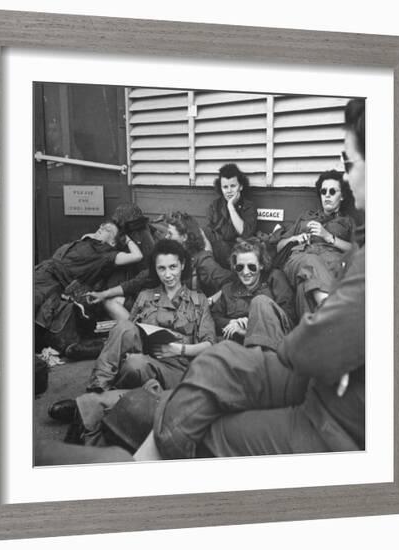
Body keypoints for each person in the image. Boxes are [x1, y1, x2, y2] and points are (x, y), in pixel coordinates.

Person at [152, 98, 366, 459]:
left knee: (211, 425)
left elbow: (306, 346)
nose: (343, 178)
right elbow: (271, 252)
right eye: (328, 186)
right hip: (311, 365)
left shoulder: (366, 239)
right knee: (216, 361)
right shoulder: (344, 230)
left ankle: (152, 450)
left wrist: (306, 336)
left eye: (348, 164)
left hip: (336, 416)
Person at [86, 239, 216, 393]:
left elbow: (209, 344)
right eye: (161, 268)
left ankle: (106, 397)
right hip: (144, 358)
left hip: (177, 369)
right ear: (155, 269)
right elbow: (128, 336)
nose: (168, 275)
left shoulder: (199, 300)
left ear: (182, 265)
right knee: (125, 332)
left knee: (134, 366)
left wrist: (179, 349)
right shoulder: (145, 296)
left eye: (173, 267)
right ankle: (97, 387)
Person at [86, 211, 233, 320]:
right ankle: (137, 334)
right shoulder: (168, 256)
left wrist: (208, 302)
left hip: (186, 316)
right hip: (164, 305)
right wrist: (102, 294)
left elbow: (231, 281)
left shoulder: (202, 261)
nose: (166, 237)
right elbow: (138, 281)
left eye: (170, 234)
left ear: (185, 237)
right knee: (111, 302)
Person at [34, 220, 142, 351]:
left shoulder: (106, 254)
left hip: (51, 280)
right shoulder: (88, 240)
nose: (101, 228)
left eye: (107, 229)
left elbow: (137, 256)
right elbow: (90, 235)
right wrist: (105, 232)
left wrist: (127, 239)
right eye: (101, 226)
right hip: (42, 272)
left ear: (113, 242)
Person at [274, 169, 357, 316]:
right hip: (300, 259)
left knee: (304, 287)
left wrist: (329, 237)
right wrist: (294, 239)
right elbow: (279, 246)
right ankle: (331, 310)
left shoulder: (347, 222)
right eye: (323, 191)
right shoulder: (306, 216)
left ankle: (312, 333)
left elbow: (357, 251)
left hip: (331, 264)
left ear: (342, 196)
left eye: (332, 191)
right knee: (310, 261)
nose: (327, 196)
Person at [211, 239, 294, 347]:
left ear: (261, 265)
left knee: (259, 301)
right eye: (240, 267)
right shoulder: (228, 289)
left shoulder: (275, 278)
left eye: (251, 267)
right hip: (239, 343)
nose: (245, 272)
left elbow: (288, 316)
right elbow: (215, 317)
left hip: (274, 342)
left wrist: (251, 324)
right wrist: (233, 322)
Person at [204, 163, 258, 268]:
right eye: (225, 187)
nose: (229, 191)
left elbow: (244, 233)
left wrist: (231, 207)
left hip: (238, 251)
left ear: (241, 186)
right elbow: (210, 233)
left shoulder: (249, 206)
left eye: (233, 186)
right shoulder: (215, 206)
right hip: (217, 250)